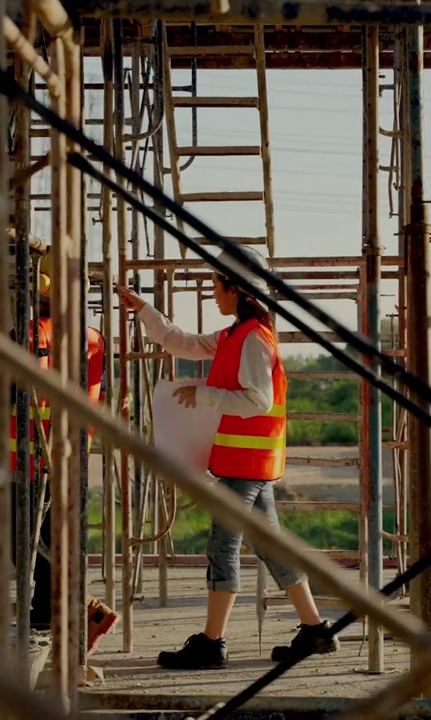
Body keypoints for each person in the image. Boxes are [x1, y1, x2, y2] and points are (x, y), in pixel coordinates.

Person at [115, 246, 339, 670]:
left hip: (245, 466)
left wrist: (205, 395)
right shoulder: (236, 334)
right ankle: (315, 631)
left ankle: (211, 643)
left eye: (215, 284)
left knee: (222, 547)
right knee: (271, 548)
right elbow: (181, 342)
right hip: (249, 463)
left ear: (234, 287)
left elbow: (258, 400)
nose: (213, 292)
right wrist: (144, 310)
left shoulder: (253, 338)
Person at [11, 251, 118, 651]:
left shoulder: (33, 334)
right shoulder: (92, 337)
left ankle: (65, 613)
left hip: (33, 454)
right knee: (48, 540)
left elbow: (9, 389)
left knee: (24, 541)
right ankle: (68, 612)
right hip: (70, 454)